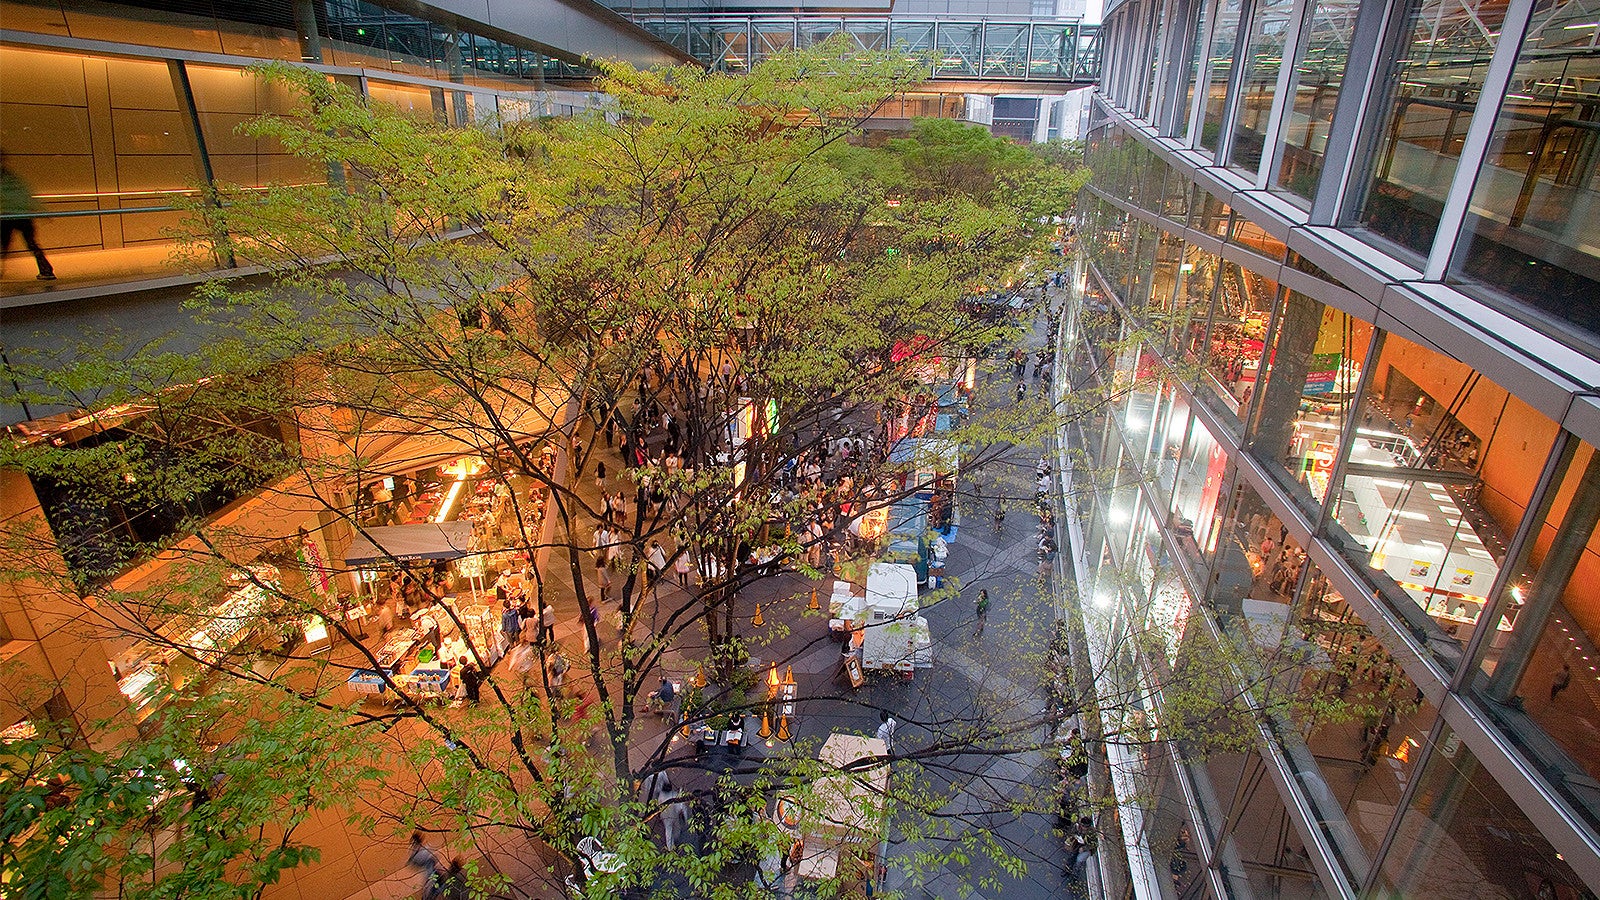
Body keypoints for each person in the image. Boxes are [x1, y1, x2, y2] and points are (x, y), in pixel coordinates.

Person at [0, 160, 55, 280]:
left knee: (4, 245)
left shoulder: (5, 179)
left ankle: (1, 269)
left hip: (6, 216)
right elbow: (27, 195)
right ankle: (46, 270)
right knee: (32, 244)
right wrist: (43, 211)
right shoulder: (14, 178)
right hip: (23, 215)